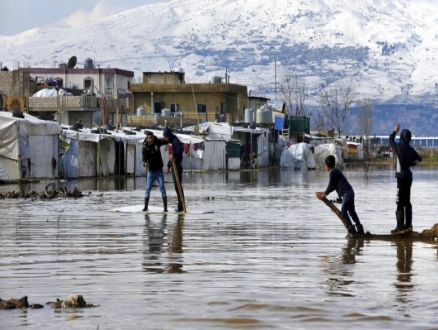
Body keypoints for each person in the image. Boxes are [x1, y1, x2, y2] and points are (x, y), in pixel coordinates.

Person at [318, 155, 364, 237]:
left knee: (343, 213)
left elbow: (330, 185)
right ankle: (359, 228)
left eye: (325, 165)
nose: (325, 167)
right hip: (350, 192)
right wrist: (325, 192)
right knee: (351, 212)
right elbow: (333, 187)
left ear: (327, 166)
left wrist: (325, 194)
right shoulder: (336, 171)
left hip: (347, 193)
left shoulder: (332, 173)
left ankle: (351, 230)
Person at [388, 124, 422, 234]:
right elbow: (419, 159)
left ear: (401, 137)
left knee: (399, 202)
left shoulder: (398, 147)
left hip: (401, 178)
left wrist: (394, 131)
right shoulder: (410, 149)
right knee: (407, 202)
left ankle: (400, 226)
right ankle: (409, 225)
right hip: (408, 177)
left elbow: (390, 139)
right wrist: (410, 163)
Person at [142, 131, 168, 212]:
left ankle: (165, 208)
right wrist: (145, 164)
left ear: (153, 138)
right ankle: (146, 207)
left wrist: (167, 139)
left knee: (162, 188)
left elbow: (164, 141)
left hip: (159, 171)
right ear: (147, 139)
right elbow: (143, 159)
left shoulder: (157, 142)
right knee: (147, 189)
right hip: (151, 172)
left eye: (151, 138)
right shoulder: (144, 148)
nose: (150, 140)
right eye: (149, 138)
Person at [163, 127, 185, 212]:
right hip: (174, 166)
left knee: (178, 186)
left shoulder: (175, 141)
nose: (165, 139)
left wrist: (173, 154)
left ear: (168, 136)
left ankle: (181, 206)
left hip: (177, 167)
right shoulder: (172, 142)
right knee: (177, 187)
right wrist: (168, 166)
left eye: (166, 137)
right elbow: (172, 157)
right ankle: (181, 205)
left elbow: (180, 151)